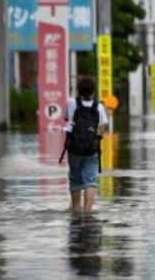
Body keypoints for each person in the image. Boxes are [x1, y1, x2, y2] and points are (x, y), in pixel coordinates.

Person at [60, 78, 108, 214]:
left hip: (74, 148)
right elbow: (102, 127)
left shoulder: (71, 103)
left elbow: (66, 119)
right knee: (90, 180)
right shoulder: (98, 106)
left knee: (75, 178)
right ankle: (87, 212)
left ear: (78, 90)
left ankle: (76, 209)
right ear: (93, 92)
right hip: (91, 149)